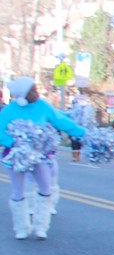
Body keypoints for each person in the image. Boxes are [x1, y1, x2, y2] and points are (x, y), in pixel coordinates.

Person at [0, 77, 86, 240]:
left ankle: (41, 226)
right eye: (32, 90)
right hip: (17, 155)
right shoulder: (10, 110)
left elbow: (61, 121)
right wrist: (15, 142)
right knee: (18, 190)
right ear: (23, 95)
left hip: (39, 154)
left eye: (36, 89)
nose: (37, 93)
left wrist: (83, 133)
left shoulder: (43, 106)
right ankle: (21, 227)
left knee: (46, 187)